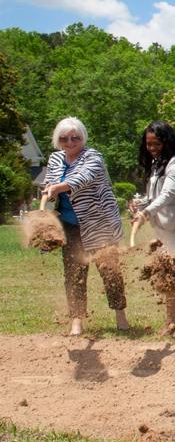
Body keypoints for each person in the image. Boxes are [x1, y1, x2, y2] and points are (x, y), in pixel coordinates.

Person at [41, 117, 128, 337]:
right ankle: (77, 321)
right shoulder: (55, 159)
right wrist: (47, 192)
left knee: (110, 272)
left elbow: (83, 178)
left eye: (75, 138)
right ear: (57, 140)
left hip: (100, 224)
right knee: (73, 273)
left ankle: (120, 316)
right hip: (70, 226)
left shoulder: (93, 156)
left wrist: (58, 187)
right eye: (64, 138)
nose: (69, 142)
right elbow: (50, 183)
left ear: (83, 138)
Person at [132, 121, 175, 268]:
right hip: (162, 229)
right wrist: (140, 207)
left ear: (167, 143)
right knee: (163, 274)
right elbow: (153, 197)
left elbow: (167, 195)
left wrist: (146, 213)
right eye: (148, 144)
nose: (152, 148)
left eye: (156, 144)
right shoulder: (155, 165)